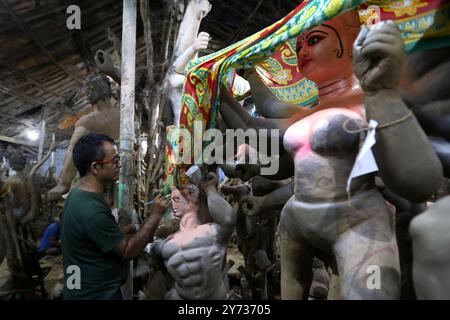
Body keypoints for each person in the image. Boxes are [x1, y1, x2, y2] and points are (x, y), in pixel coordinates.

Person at [219, 12, 442, 299]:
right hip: (296, 218)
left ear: (346, 44)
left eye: (314, 40)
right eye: (299, 45)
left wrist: (383, 95)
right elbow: (260, 126)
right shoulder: (309, 110)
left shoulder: (371, 96)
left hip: (355, 219)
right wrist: (218, 88)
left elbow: (416, 179)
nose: (302, 52)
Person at [61, 133, 168, 300]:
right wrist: (156, 214)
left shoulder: (79, 195)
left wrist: (117, 233)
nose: (119, 165)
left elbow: (92, 236)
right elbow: (128, 251)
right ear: (95, 167)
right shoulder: (90, 209)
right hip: (96, 295)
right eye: (114, 161)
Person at [152, 172, 236, 299]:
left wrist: (209, 188)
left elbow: (228, 218)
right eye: (172, 200)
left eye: (177, 199)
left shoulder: (212, 233)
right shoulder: (168, 240)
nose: (172, 205)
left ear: (192, 202)